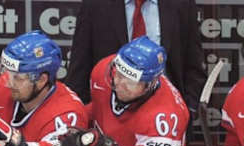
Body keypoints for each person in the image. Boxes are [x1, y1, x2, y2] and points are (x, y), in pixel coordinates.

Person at [65, 0, 206, 120]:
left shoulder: (181, 3)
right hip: (109, 120)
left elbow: (194, 64)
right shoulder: (95, 4)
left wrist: (188, 112)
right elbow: (79, 69)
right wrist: (80, 119)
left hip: (168, 117)